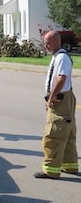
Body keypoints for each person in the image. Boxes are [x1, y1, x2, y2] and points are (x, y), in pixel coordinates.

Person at [34, 31, 78, 179]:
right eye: (45, 42)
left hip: (60, 100)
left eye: (48, 42)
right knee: (68, 133)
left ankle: (51, 170)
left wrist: (51, 98)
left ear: (56, 41)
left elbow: (61, 79)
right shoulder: (58, 56)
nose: (45, 45)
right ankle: (70, 165)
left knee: (53, 134)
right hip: (65, 98)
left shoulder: (62, 58)